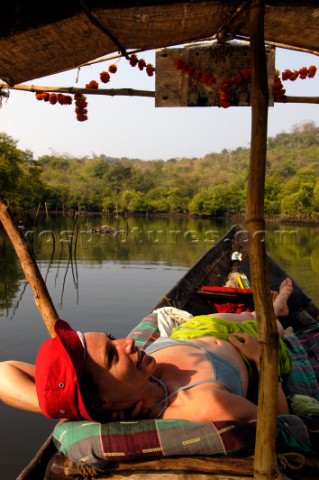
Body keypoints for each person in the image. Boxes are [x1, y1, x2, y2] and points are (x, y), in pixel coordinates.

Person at [0, 279, 293, 423]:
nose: (128, 343)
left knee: (248, 316)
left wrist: (74, 405)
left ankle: (268, 309)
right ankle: (276, 314)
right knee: (272, 329)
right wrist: (264, 361)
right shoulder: (204, 405)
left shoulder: (132, 379)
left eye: (112, 339)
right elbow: (281, 428)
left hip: (191, 333)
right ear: (102, 402)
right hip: (248, 350)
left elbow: (3, 371)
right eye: (112, 356)